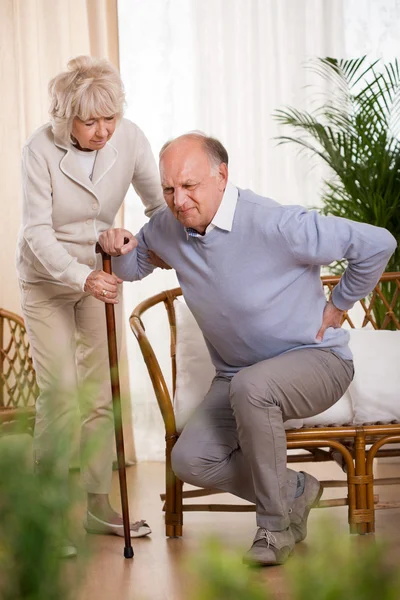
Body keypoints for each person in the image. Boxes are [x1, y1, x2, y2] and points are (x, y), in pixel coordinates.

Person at [99, 132, 396, 566]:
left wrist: (340, 304)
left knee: (253, 387)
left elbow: (377, 243)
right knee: (191, 459)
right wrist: (115, 246)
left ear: (222, 176)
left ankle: (275, 529)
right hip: (238, 375)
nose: (178, 200)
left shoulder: (276, 223)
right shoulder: (170, 225)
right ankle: (295, 489)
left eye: (189, 185)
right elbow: (133, 265)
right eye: (168, 189)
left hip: (319, 364)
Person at [16, 56, 165, 557]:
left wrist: (136, 244)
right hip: (48, 280)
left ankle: (99, 504)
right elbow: (35, 231)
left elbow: (157, 209)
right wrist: (82, 276)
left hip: (101, 274)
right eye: (89, 121)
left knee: (100, 393)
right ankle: (49, 515)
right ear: (66, 119)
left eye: (110, 118)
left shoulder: (131, 139)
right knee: (59, 395)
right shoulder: (39, 149)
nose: (102, 131)